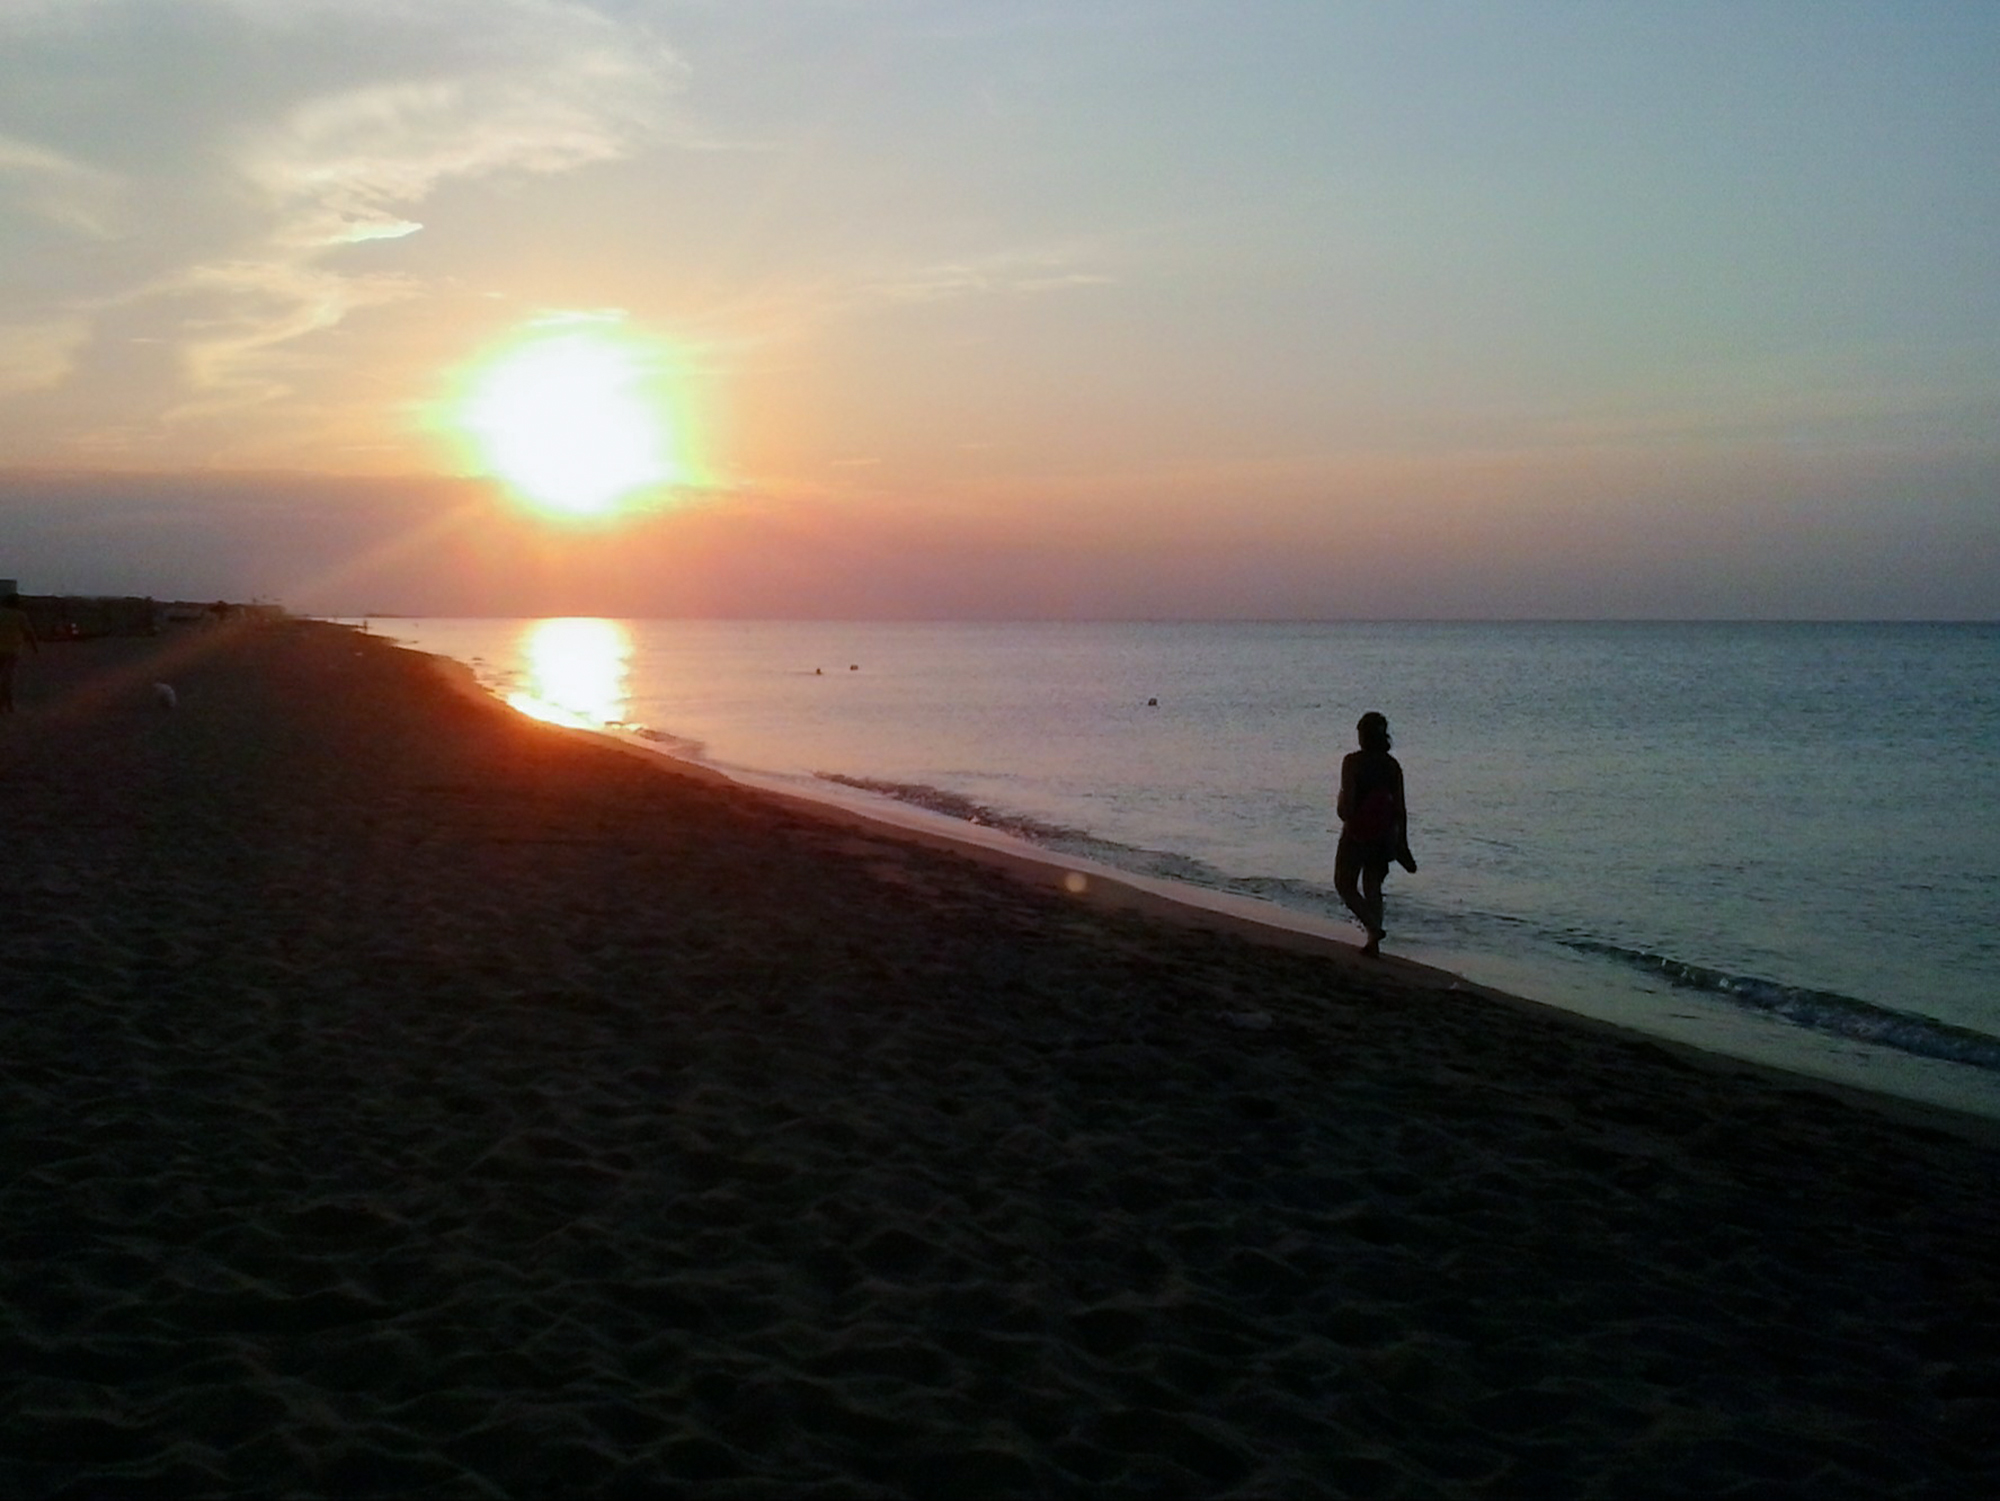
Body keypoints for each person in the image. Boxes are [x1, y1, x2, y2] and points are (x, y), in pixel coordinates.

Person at [1335, 710, 1414, 955]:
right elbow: (1400, 809)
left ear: (1362, 735)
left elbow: (1347, 807)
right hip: (1384, 835)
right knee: (1373, 887)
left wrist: (1342, 811)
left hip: (1356, 834)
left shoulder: (1352, 762)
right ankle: (1373, 942)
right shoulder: (1392, 766)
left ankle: (1373, 926)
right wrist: (1402, 844)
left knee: (1344, 884)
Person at [0, 593, 38, 714]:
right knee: (8, 678)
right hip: (13, 650)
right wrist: (35, 647)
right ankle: (8, 704)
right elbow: (29, 632)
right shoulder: (20, 615)